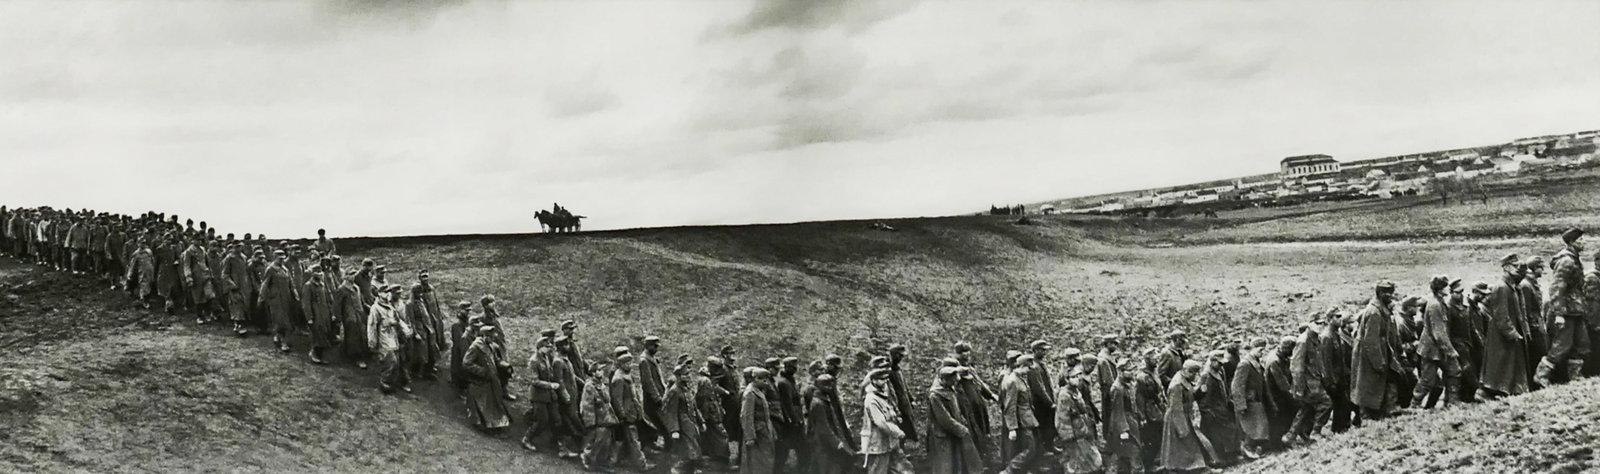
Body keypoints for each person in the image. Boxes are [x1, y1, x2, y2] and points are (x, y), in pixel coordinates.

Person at [1541, 228, 1588, 385]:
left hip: (1576, 310)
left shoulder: (1574, 258)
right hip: (1567, 311)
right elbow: (1557, 287)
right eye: (1581, 240)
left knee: (1581, 343)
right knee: (1562, 345)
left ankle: (1575, 376)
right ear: (1571, 242)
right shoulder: (1566, 261)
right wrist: (1559, 313)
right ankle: (1542, 376)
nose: (1584, 242)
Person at [1481, 254, 1530, 399]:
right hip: (1501, 336)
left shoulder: (1511, 287)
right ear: (1506, 268)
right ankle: (1496, 392)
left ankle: (1510, 391)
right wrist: (1512, 333)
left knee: (1509, 364)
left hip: (1508, 333)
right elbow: (1501, 315)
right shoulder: (1501, 287)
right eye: (1515, 266)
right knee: (1501, 365)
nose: (1517, 269)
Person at [1352, 281, 1401, 420]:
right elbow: (1371, 341)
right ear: (1379, 293)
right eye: (1386, 292)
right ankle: (1366, 418)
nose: (1389, 295)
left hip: (1379, 353)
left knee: (1378, 385)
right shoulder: (1374, 313)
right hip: (1370, 357)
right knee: (1369, 387)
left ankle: (1381, 413)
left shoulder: (1380, 309)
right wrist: (1378, 362)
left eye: (1391, 292)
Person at [1413, 276, 1462, 408]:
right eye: (1446, 286)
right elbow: (1438, 333)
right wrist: (1450, 350)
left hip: (1438, 348)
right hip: (1431, 349)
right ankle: (1415, 404)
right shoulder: (1435, 305)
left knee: (1454, 371)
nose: (1448, 288)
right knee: (1427, 380)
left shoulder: (1440, 302)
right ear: (1440, 290)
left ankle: (1452, 402)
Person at [524, 337, 576, 455]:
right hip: (539, 396)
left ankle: (562, 448)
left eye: (550, 347)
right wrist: (551, 385)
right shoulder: (534, 361)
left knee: (557, 420)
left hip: (550, 396)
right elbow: (534, 381)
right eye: (547, 347)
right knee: (542, 421)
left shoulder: (546, 358)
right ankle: (527, 439)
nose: (549, 349)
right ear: (540, 347)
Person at [928, 366, 981, 474]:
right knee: (945, 465)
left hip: (954, 433)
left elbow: (956, 409)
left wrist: (962, 421)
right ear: (944, 380)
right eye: (952, 381)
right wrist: (962, 430)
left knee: (957, 463)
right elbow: (944, 419)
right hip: (943, 436)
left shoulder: (950, 389)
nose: (954, 384)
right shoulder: (935, 395)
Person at [1161, 360, 1210, 473]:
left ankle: (1197, 467)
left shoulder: (1185, 380)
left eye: (1196, 373)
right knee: (1181, 446)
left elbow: (1192, 396)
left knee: (1188, 446)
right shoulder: (1177, 385)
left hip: (1184, 416)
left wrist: (1201, 389)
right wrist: (1182, 428)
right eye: (1192, 373)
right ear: (1184, 370)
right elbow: (1176, 408)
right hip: (1177, 418)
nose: (1194, 376)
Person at [861, 368, 912, 474]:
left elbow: (888, 413)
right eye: (881, 379)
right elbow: (880, 422)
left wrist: (895, 417)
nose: (884, 382)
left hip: (889, 442)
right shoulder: (871, 399)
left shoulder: (881, 395)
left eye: (885, 379)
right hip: (877, 445)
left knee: (903, 469)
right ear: (873, 381)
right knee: (878, 470)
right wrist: (898, 432)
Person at [1056, 359, 1103, 474]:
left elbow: (1083, 410)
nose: (1077, 379)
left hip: (1082, 430)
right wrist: (1069, 437)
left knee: (1093, 460)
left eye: (1078, 376)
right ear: (1067, 380)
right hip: (1074, 435)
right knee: (1076, 463)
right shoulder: (1064, 395)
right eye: (1073, 377)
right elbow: (1063, 418)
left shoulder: (1076, 392)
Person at [463, 323, 513, 431]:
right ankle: (488, 426)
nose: (492, 339)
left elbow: (495, 360)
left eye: (492, 337)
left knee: (495, 402)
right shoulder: (475, 347)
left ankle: (498, 424)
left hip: (492, 380)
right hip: (481, 382)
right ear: (483, 336)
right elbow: (467, 363)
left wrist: (505, 365)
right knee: (486, 406)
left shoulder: (490, 346)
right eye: (489, 337)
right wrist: (482, 372)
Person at [610, 349, 653, 472]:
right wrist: (622, 415)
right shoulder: (618, 379)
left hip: (632, 412)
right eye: (628, 363)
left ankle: (614, 461)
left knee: (624, 439)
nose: (630, 366)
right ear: (621, 364)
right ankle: (642, 465)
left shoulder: (626, 375)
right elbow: (617, 400)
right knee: (634, 441)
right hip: (627, 415)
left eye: (630, 363)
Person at [1196, 349, 1241, 465]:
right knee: (1217, 435)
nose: (1221, 365)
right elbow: (1203, 397)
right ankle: (1222, 459)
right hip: (1213, 411)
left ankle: (1230, 456)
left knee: (1229, 431)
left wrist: (1228, 400)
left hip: (1222, 407)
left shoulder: (1220, 371)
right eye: (1219, 362)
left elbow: (1224, 387)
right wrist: (1208, 412)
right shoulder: (1206, 376)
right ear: (1212, 361)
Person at [367, 284, 414, 393]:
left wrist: (406, 330)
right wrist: (372, 342)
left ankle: (391, 383)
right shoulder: (376, 309)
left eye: (388, 292)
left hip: (393, 337)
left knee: (396, 362)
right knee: (390, 362)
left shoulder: (390, 306)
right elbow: (372, 326)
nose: (387, 294)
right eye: (384, 292)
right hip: (383, 339)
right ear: (379, 294)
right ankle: (384, 383)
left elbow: (398, 320)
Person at [807, 374, 854, 474]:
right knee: (826, 467)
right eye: (827, 385)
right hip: (822, 442)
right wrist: (837, 442)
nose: (830, 388)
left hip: (826, 441)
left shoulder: (824, 400)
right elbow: (823, 426)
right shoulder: (818, 403)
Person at [999, 354, 1039, 474]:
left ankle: (1021, 470)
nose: (1028, 371)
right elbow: (1010, 406)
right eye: (1027, 368)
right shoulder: (1012, 381)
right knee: (1030, 449)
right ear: (1021, 366)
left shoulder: (1019, 378)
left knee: (1026, 447)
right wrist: (1012, 428)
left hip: (1027, 419)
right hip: (1022, 421)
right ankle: (1008, 471)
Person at [661, 362, 704, 474]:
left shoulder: (687, 388)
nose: (688, 377)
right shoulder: (674, 391)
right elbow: (671, 412)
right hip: (682, 424)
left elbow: (694, 407)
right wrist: (674, 430)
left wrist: (701, 421)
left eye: (689, 374)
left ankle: (691, 468)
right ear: (678, 376)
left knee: (694, 446)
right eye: (685, 375)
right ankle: (677, 469)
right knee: (686, 447)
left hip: (691, 422)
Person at [1232, 338, 1271, 457]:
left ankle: (1253, 449)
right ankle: (1247, 449)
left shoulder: (1255, 362)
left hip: (1256, 399)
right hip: (1249, 401)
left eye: (1263, 350)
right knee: (1251, 428)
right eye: (1260, 350)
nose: (1262, 352)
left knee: (1259, 427)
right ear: (1253, 348)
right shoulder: (1245, 364)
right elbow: (1237, 385)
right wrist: (1240, 404)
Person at [1320, 311, 1358, 431]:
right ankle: (1338, 428)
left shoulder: (1336, 334)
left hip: (1341, 376)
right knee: (1340, 403)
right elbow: (1326, 361)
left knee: (1343, 404)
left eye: (1341, 316)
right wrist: (1330, 381)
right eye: (1337, 316)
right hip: (1334, 378)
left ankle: (1342, 427)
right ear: (1330, 319)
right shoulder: (1327, 336)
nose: (1340, 319)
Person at [257, 250, 299, 353]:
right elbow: (265, 284)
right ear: (275, 257)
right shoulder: (271, 269)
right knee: (281, 321)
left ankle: (277, 336)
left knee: (285, 319)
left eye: (283, 258)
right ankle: (283, 342)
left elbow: (291, 283)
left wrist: (295, 293)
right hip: (275, 299)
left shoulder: (285, 269)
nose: (282, 260)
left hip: (286, 299)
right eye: (279, 258)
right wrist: (261, 298)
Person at [581, 361, 620, 472]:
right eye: (598, 370)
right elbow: (587, 405)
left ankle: (601, 463)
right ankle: (586, 459)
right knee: (595, 442)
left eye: (601, 370)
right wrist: (590, 422)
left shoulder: (602, 384)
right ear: (593, 373)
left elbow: (608, 402)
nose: (601, 372)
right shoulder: (589, 386)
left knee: (605, 442)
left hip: (606, 418)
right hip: (597, 420)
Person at [738, 366, 775, 474]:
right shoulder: (750, 393)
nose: (766, 382)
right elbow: (746, 416)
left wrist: (771, 430)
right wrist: (750, 437)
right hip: (757, 433)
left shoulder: (758, 391)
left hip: (764, 431)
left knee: (766, 459)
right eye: (763, 379)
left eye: (766, 379)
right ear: (755, 379)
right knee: (757, 462)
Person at [697, 358, 733, 468]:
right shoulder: (705, 380)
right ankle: (723, 460)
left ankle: (713, 457)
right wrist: (705, 417)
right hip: (711, 413)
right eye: (716, 369)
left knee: (712, 435)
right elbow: (703, 399)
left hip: (713, 411)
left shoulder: (707, 378)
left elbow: (713, 392)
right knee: (722, 435)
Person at [1521, 255, 1549, 388]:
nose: (1542, 270)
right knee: (1536, 355)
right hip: (1534, 327)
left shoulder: (1533, 283)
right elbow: (1526, 309)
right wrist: (1534, 326)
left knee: (1541, 352)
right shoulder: (1526, 285)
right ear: (1533, 268)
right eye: (1540, 267)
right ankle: (1534, 384)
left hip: (1538, 324)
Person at [773, 356, 805, 472]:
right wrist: (793, 420)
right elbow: (787, 404)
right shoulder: (783, 383)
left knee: (798, 447)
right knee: (785, 447)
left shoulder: (790, 380)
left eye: (795, 366)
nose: (794, 369)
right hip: (791, 420)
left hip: (796, 417)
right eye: (792, 367)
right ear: (786, 367)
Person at [638, 336, 669, 451]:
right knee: (657, 422)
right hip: (652, 398)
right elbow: (648, 382)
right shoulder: (644, 360)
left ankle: (661, 445)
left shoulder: (651, 357)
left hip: (659, 395)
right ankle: (651, 445)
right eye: (654, 346)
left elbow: (658, 378)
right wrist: (657, 398)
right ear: (648, 346)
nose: (656, 349)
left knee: (660, 422)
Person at [304, 264, 338, 365]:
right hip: (316, 313)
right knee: (317, 333)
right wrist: (309, 317)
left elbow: (328, 300)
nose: (319, 275)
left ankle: (318, 353)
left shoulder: (323, 284)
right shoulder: (308, 286)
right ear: (312, 274)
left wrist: (331, 313)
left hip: (325, 312)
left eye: (320, 273)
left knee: (325, 331)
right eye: (317, 273)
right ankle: (315, 353)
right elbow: (306, 303)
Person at [337, 270, 371, 369]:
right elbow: (338, 305)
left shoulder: (356, 288)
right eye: (351, 274)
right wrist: (338, 318)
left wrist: (367, 308)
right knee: (353, 337)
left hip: (359, 315)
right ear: (346, 276)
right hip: (349, 317)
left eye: (353, 274)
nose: (353, 276)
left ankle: (360, 354)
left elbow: (361, 301)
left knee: (362, 335)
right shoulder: (342, 289)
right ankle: (357, 358)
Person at [219, 243, 251, 336]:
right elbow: (224, 274)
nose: (239, 248)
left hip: (244, 285)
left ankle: (238, 324)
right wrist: (231, 284)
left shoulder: (244, 257)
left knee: (244, 304)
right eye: (237, 247)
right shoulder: (229, 258)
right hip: (235, 285)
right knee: (237, 305)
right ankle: (239, 324)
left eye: (240, 246)